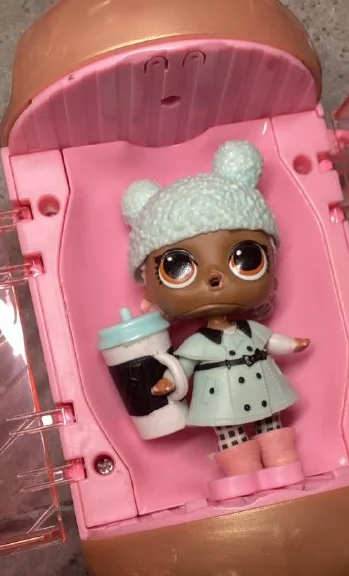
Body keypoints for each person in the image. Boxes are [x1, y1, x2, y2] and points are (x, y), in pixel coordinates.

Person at [121, 140, 310, 497]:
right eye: (178, 267)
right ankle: (242, 471)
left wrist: (293, 344)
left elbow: (271, 341)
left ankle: (282, 459)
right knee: (230, 432)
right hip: (220, 397)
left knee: (270, 422)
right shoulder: (198, 343)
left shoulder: (249, 330)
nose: (214, 278)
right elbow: (184, 366)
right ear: (148, 283)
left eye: (245, 257)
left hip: (260, 385)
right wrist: (168, 381)